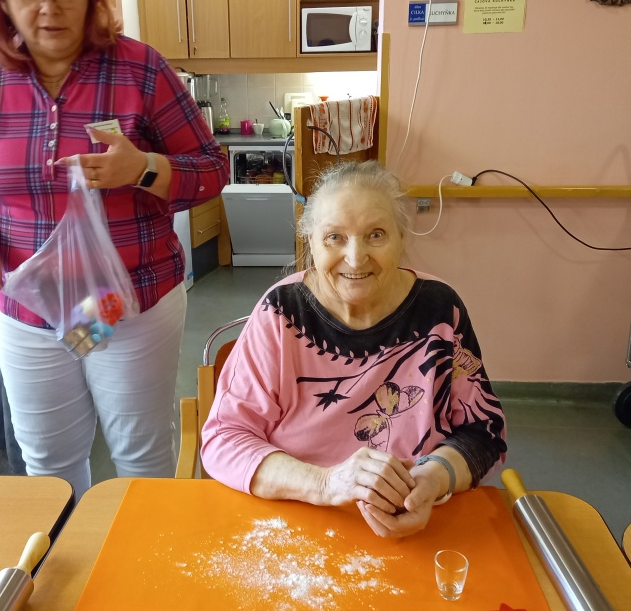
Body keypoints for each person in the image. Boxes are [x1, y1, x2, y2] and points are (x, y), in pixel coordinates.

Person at [0, 0, 229, 500]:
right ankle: (67, 558)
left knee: (140, 458)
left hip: (126, 302)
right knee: (49, 465)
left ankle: (138, 558)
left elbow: (213, 169)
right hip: (28, 311)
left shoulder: (139, 70)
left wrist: (143, 168)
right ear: (2, 1)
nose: (49, 8)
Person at [201, 161, 506, 538]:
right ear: (310, 241)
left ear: (401, 238)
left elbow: (484, 431)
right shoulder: (281, 314)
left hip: (414, 523)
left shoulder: (440, 311)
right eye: (334, 237)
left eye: (376, 234)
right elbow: (224, 439)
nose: (356, 258)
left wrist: (432, 480)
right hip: (292, 524)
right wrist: (326, 484)